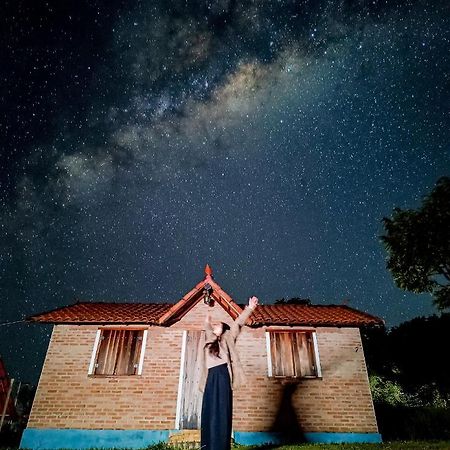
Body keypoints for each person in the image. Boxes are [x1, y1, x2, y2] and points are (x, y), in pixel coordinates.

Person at [199, 295, 259, 450]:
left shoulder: (228, 338)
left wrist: (250, 308)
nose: (215, 326)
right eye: (214, 325)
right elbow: (206, 327)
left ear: (224, 328)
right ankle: (208, 446)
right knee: (209, 413)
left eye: (218, 324)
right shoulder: (208, 340)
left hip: (223, 376)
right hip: (210, 379)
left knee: (222, 411)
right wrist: (207, 321)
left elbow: (238, 323)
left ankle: (221, 446)